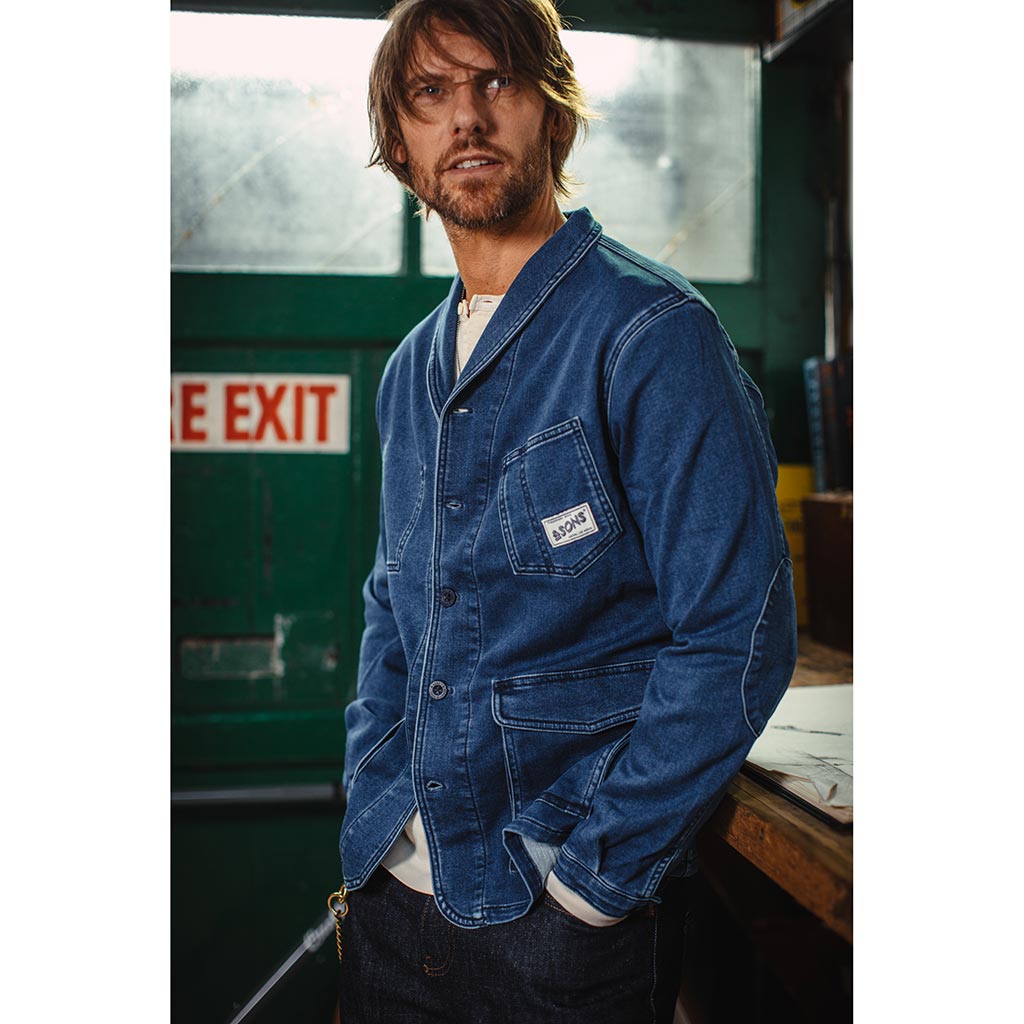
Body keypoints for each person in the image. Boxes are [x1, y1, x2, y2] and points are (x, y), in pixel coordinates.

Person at [336, 1, 797, 1019]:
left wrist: (590, 889)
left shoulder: (653, 335)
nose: (466, 117)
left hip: (558, 924)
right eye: (429, 93)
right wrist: (370, 800)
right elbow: (393, 609)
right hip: (391, 903)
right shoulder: (411, 370)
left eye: (495, 81)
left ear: (554, 115)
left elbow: (739, 633)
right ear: (399, 143)